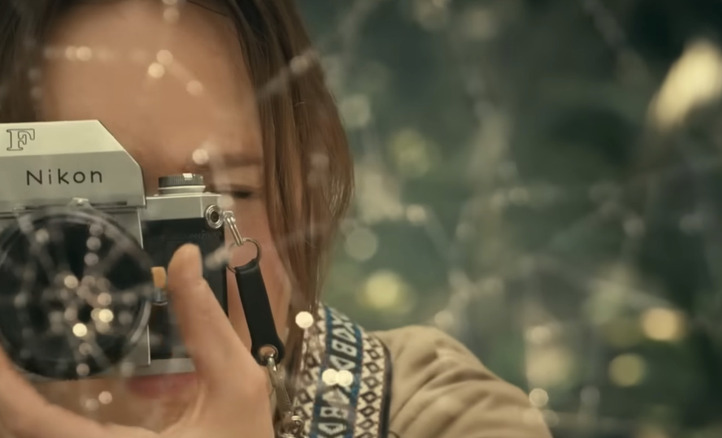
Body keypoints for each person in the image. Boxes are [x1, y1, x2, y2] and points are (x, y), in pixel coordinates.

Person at [0, 1, 552, 437]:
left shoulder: (431, 415)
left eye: (223, 195)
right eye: (82, 217)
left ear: (301, 196)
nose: (158, 276)